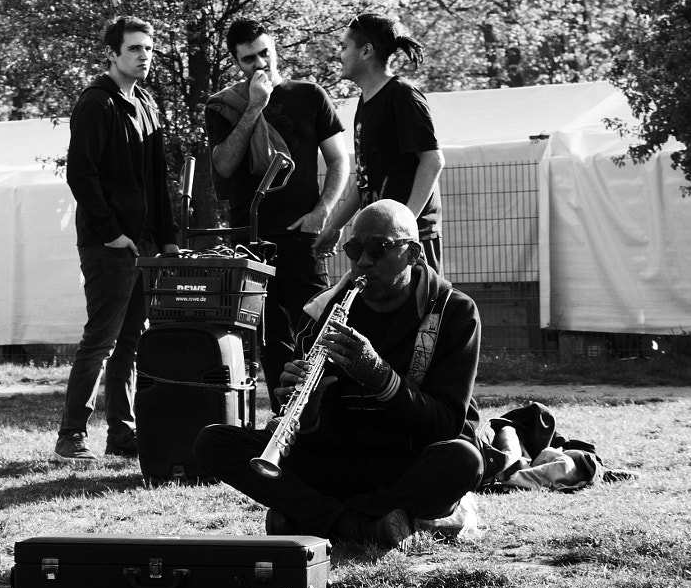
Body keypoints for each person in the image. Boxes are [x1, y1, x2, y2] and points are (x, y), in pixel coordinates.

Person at [193, 200, 483, 555]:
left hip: (408, 461)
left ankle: (312, 517)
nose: (363, 262)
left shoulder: (455, 311)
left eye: (379, 249)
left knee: (464, 460)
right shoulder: (324, 311)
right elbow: (322, 435)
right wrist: (309, 414)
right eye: (354, 249)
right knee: (214, 442)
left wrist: (379, 376)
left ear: (413, 254)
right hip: (340, 460)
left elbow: (446, 425)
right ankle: (360, 525)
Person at [56, 15, 183, 462]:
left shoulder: (145, 102)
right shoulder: (96, 102)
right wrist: (111, 234)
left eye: (148, 49)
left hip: (145, 244)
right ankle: (71, 436)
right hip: (107, 245)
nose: (144, 57)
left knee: (133, 341)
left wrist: (166, 239)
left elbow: (156, 180)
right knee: (102, 339)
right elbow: (81, 174)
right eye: (134, 49)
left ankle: (122, 435)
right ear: (112, 54)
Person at [204, 19, 353, 399]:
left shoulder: (310, 95)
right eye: (249, 58)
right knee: (268, 337)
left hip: (302, 233)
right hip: (250, 236)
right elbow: (222, 165)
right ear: (237, 62)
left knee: (317, 322)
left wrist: (324, 211)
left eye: (265, 52)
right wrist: (255, 107)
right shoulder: (224, 105)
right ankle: (281, 414)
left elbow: (339, 161)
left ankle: (325, 408)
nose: (260, 63)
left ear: (275, 49)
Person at [323, 12, 446, 272]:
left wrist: (406, 225)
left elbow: (433, 160)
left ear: (366, 51)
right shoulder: (365, 102)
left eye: (344, 47)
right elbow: (365, 179)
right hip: (377, 241)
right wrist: (334, 226)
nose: (340, 55)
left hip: (410, 241)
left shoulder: (402, 95)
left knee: (420, 312)